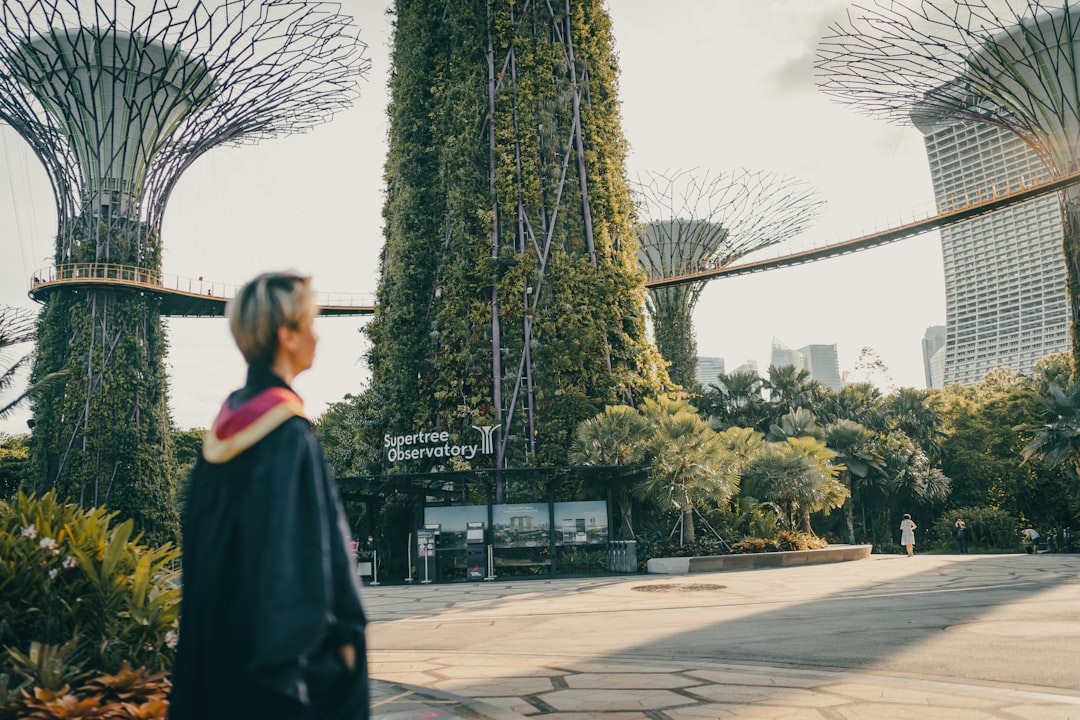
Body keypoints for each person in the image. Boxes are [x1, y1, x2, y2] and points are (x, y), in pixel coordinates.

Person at [169, 272, 368, 720]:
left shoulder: (221, 438)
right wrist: (332, 654)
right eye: (310, 323)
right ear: (286, 335)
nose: (316, 334)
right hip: (279, 677)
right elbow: (297, 564)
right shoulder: (286, 435)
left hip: (221, 659)